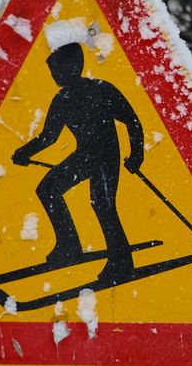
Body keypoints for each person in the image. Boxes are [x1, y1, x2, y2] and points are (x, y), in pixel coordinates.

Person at [12, 41, 144, 281]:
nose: (54, 76)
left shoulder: (102, 89)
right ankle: (69, 246)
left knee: (102, 205)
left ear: (71, 67)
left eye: (56, 70)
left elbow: (132, 120)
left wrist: (137, 155)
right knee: (48, 189)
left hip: (105, 156)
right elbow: (48, 137)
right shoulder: (62, 99)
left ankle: (121, 261)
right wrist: (24, 152)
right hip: (85, 156)